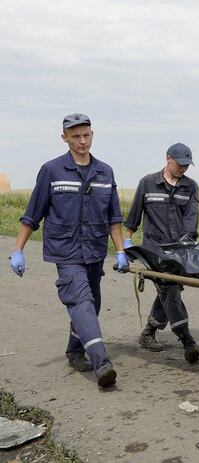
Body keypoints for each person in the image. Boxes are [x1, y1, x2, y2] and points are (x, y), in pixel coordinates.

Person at [9, 113, 128, 388]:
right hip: (66, 251)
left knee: (91, 305)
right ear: (64, 138)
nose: (82, 141)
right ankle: (102, 363)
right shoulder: (52, 170)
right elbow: (32, 215)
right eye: (75, 136)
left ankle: (75, 351)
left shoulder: (105, 172)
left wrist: (121, 250)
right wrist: (18, 249)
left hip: (95, 250)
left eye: (86, 135)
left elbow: (114, 217)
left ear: (92, 135)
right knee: (82, 302)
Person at [123, 143, 199, 363]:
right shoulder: (147, 183)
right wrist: (126, 245)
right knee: (168, 289)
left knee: (168, 289)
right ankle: (186, 339)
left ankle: (148, 332)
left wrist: (186, 243)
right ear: (168, 158)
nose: (183, 169)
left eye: (187, 165)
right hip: (153, 251)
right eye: (180, 164)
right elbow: (133, 216)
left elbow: (191, 220)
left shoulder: (191, 187)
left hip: (178, 251)